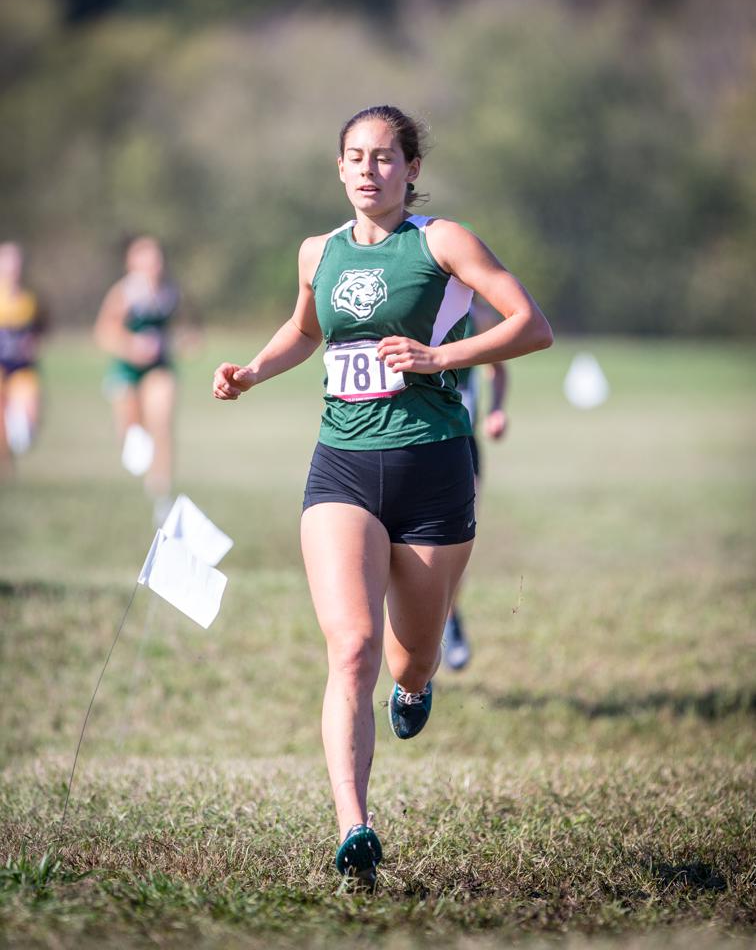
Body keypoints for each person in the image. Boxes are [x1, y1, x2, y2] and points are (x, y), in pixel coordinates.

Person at [213, 105, 553, 888]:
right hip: (342, 469)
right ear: (339, 168)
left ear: (411, 170)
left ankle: (418, 686)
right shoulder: (317, 253)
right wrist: (254, 372)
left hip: (435, 472)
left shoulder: (443, 243)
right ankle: (353, 827)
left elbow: (531, 326)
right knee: (353, 649)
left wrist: (440, 356)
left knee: (410, 655)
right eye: (355, 157)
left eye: (385, 158)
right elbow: (305, 332)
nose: (369, 169)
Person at [94, 235, 183, 524]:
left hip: (159, 367)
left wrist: (181, 341)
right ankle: (135, 439)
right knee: (132, 433)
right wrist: (131, 346)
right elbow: (103, 333)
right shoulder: (124, 293)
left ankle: (160, 492)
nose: (153, 264)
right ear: (131, 263)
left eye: (156, 258)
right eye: (145, 258)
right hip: (126, 370)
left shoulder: (170, 292)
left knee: (162, 421)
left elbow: (186, 326)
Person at [443, 295, 509, 670]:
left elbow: (497, 367)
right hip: (406, 437)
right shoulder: (405, 300)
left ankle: (449, 620)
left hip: (462, 439)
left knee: (452, 551)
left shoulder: (476, 317)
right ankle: (419, 648)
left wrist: (496, 409)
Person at [0, 241, 46, 475]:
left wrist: (33, 343)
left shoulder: (30, 299)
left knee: (27, 429)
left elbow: (40, 328)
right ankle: (7, 472)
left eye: (17, 263)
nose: (13, 268)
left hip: (22, 367)